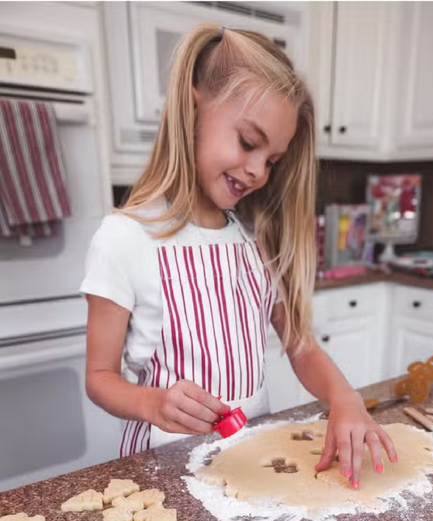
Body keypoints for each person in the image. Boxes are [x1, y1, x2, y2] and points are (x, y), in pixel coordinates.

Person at [81, 23, 397, 488]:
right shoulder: (125, 238)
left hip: (253, 461)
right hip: (164, 467)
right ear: (192, 108)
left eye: (272, 159)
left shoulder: (254, 240)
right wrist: (153, 403)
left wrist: (345, 398)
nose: (257, 171)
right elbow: (99, 376)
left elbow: (301, 345)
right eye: (249, 142)